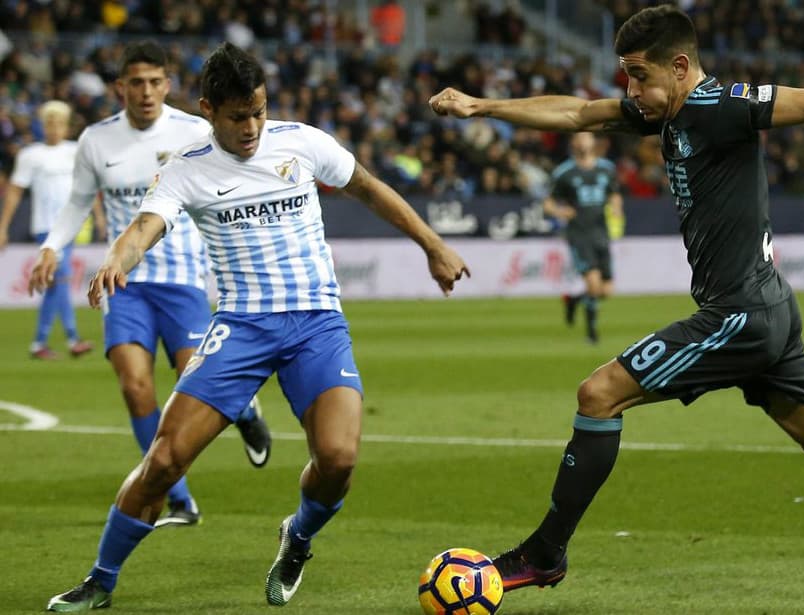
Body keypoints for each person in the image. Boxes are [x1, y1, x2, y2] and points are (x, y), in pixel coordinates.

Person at [430, 4, 804, 593]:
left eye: (639, 75)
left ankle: (544, 553)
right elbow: (579, 112)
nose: (630, 89)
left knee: (599, 393)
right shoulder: (662, 111)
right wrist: (482, 106)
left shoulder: (722, 105)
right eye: (627, 76)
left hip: (739, 315)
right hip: (769, 307)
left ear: (680, 66)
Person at [45, 42, 469, 612]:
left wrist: (433, 245)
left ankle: (297, 538)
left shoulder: (304, 142)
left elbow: (369, 187)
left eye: (259, 111)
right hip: (240, 327)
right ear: (206, 110)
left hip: (316, 324)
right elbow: (146, 225)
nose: (251, 127)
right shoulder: (186, 170)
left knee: (339, 459)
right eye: (237, 116)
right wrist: (117, 259)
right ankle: (100, 579)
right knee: (165, 460)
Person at [28, 41, 272, 531]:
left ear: (167, 84)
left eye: (155, 82)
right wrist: (53, 246)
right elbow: (79, 201)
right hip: (126, 282)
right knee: (135, 386)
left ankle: (245, 411)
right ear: (121, 87)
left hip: (183, 279)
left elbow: (231, 190)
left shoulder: (195, 130)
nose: (145, 92)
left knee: (197, 382)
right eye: (135, 83)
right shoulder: (96, 140)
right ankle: (179, 499)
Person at [0, 100, 97, 360]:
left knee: (56, 284)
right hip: (46, 228)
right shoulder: (30, 155)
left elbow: (90, 187)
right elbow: (15, 192)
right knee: (61, 279)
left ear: (66, 126)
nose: (54, 128)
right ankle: (72, 338)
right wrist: (3, 227)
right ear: (42, 125)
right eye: (49, 123)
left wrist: (99, 216)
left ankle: (40, 343)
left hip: (72, 226)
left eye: (59, 123)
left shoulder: (76, 151)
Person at [544, 132, 623, 343]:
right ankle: (592, 334)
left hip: (601, 232)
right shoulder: (564, 173)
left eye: (585, 137)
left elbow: (614, 193)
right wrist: (561, 212)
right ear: (572, 143)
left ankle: (572, 301)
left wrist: (616, 207)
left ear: (592, 141)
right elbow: (549, 204)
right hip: (579, 234)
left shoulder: (607, 168)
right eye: (577, 138)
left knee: (606, 291)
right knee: (594, 286)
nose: (581, 142)